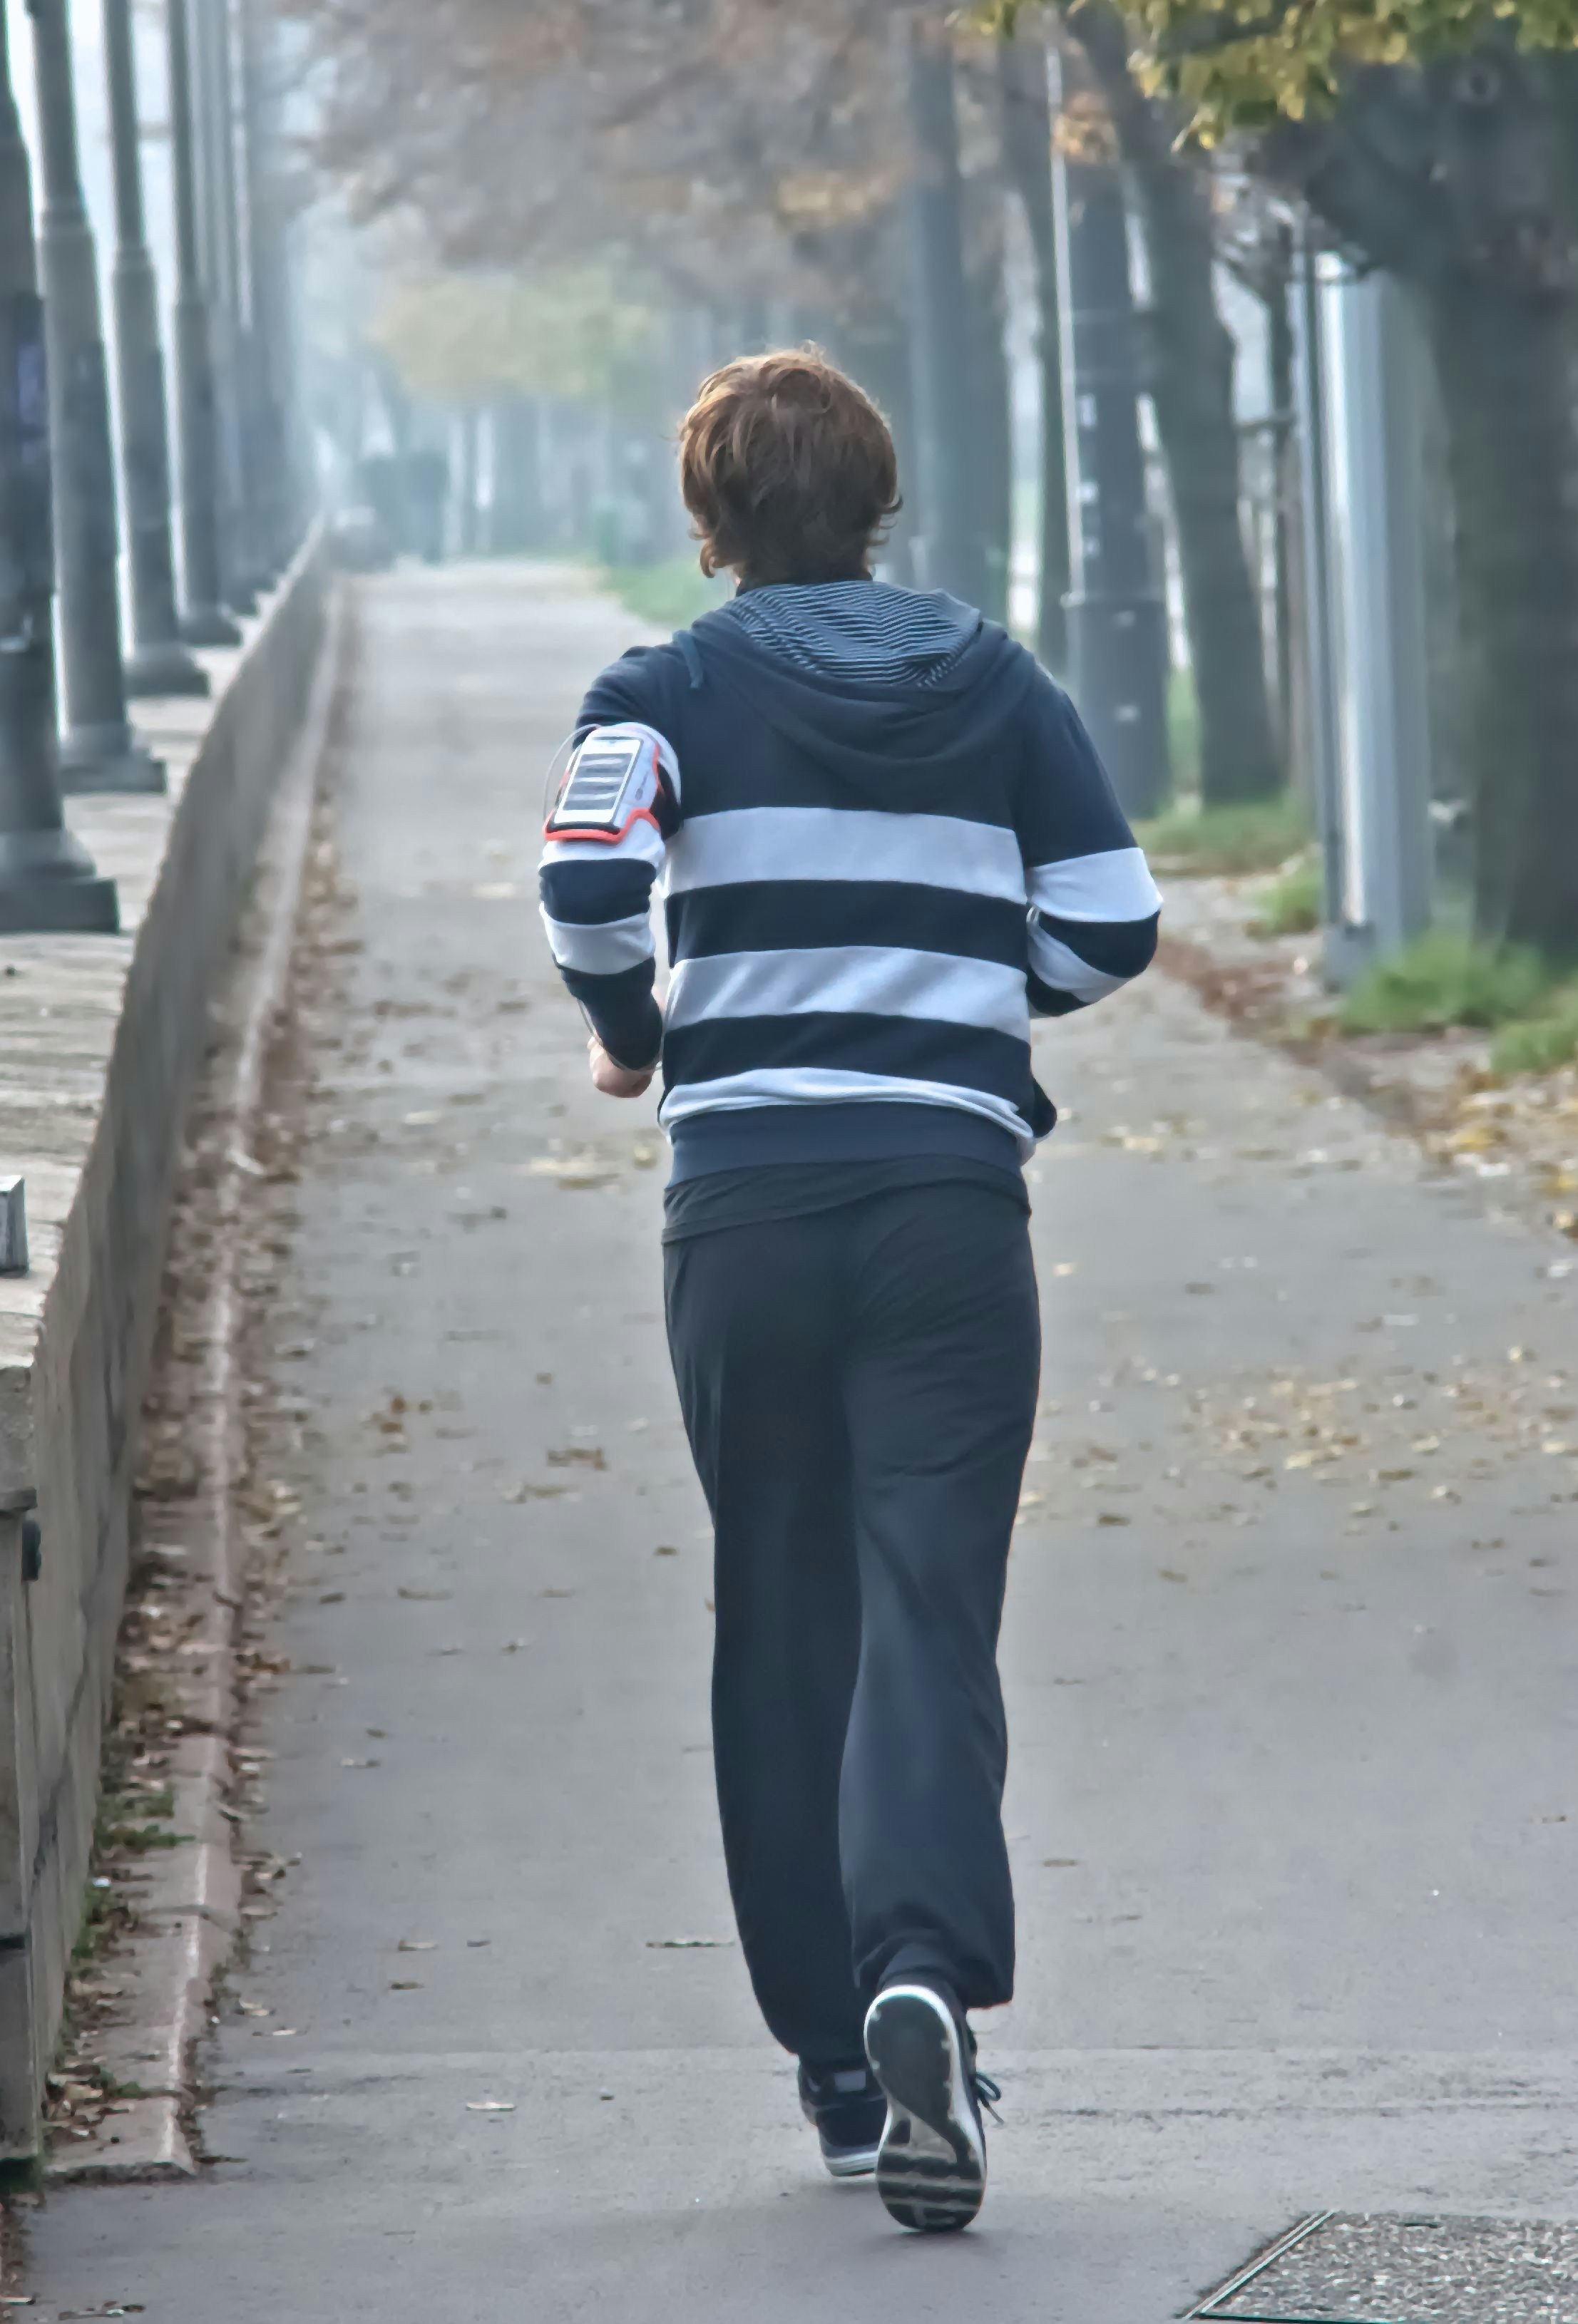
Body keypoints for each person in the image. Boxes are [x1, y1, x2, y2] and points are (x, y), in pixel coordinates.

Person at [538, 350, 1159, 2233]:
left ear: (710, 520)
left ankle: (834, 2057)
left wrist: (635, 1030)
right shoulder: (994, 679)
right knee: (928, 1603)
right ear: (876, 506)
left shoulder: (657, 690)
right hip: (944, 1209)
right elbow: (1116, 917)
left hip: (744, 1216)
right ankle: (923, 1974)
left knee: (784, 1607)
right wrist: (980, 995)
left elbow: (583, 871)